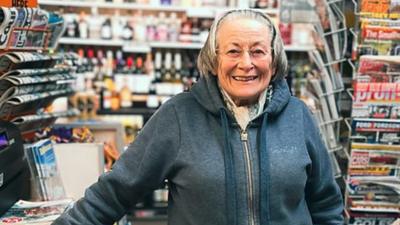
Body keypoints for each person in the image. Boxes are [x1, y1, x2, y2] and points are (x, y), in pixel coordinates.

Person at [52, 9, 344, 225]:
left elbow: (325, 204)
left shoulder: (298, 115)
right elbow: (114, 192)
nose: (246, 63)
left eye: (258, 51)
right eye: (233, 51)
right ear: (214, 61)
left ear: (274, 59)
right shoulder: (178, 115)